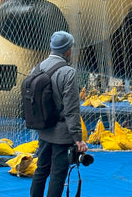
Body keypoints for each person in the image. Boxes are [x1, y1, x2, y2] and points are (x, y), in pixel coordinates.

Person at [30, 31, 88, 197]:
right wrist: (78, 138)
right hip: (61, 133)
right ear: (67, 50)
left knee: (41, 170)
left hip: (43, 128)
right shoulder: (68, 72)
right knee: (57, 174)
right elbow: (71, 109)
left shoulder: (38, 67)